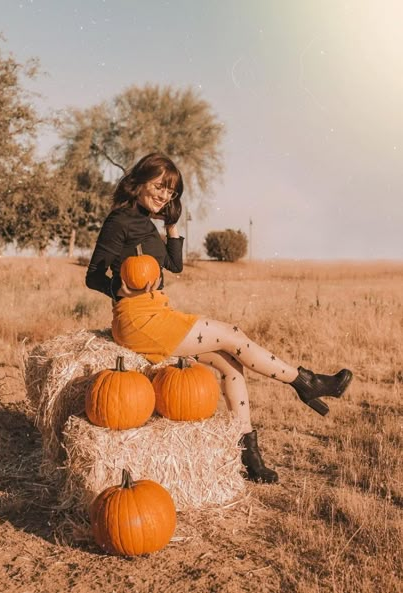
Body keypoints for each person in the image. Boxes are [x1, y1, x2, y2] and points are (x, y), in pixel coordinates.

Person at [86, 152, 353, 484]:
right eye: (159, 186)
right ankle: (305, 382)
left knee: (230, 365)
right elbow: (93, 276)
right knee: (233, 335)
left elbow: (174, 265)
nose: (164, 195)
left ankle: (249, 456)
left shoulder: (146, 222)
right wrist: (121, 290)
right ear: (137, 183)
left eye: (170, 191)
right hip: (139, 320)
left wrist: (170, 225)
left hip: (159, 313)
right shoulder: (119, 221)